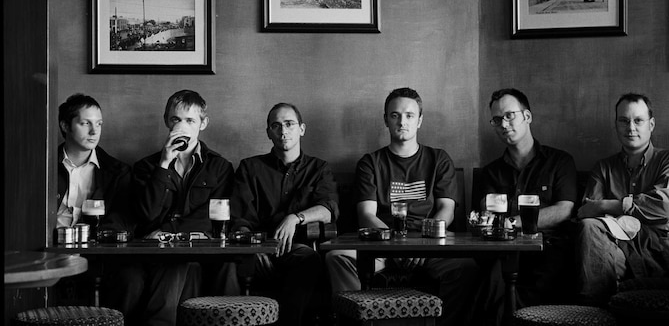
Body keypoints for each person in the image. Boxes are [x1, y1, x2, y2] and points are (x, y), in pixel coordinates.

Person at [324, 87, 479, 326]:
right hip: (380, 246)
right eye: (395, 115)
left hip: (429, 245)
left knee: (466, 267)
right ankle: (361, 322)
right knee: (337, 257)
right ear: (386, 120)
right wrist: (395, 246)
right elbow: (366, 215)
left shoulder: (439, 159)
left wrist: (422, 244)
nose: (402, 121)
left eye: (409, 115)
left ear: (420, 120)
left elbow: (446, 210)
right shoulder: (370, 163)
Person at [124, 89, 235, 326]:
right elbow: (146, 214)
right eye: (176, 119)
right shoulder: (146, 167)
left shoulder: (220, 167)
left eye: (190, 120)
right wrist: (163, 165)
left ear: (203, 123)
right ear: (167, 121)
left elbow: (213, 214)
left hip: (201, 247)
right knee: (169, 262)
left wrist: (172, 231)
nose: (182, 126)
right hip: (156, 250)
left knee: (189, 263)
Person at [472, 88, 579, 324]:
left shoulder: (559, 162)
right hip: (504, 251)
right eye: (497, 119)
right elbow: (485, 214)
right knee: (490, 275)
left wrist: (512, 221)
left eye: (510, 115)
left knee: (508, 286)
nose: (503, 124)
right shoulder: (490, 173)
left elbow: (564, 210)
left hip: (548, 250)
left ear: (527, 117)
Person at [572, 92, 669, 305]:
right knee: (589, 228)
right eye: (624, 121)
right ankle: (594, 315)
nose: (630, 127)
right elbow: (587, 213)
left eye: (638, 121)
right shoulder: (603, 168)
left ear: (651, 124)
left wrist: (608, 206)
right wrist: (651, 216)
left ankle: (595, 312)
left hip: (656, 251)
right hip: (611, 247)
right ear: (616, 125)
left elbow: (664, 210)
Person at [231, 102, 339, 325]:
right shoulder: (250, 168)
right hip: (256, 247)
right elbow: (240, 217)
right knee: (228, 263)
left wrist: (295, 218)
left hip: (295, 249)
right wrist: (255, 248)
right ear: (269, 132)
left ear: (302, 128)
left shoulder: (318, 168)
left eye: (289, 124)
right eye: (276, 125)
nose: (283, 131)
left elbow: (329, 209)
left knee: (309, 259)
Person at [56, 93, 132, 233]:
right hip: (46, 250)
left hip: (94, 250)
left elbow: (121, 221)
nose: (94, 131)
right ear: (65, 126)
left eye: (99, 124)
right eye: (85, 123)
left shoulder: (118, 172)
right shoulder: (43, 165)